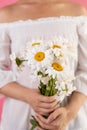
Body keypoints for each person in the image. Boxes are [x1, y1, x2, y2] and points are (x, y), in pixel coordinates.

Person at [0, 0, 87, 130]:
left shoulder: (77, 13)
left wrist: (69, 113)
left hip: (69, 116)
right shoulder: (6, 15)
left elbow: (85, 69)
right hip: (20, 116)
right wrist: (27, 96)